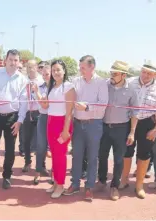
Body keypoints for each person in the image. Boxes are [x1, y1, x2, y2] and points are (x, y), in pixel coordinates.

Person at [120, 63, 156, 199]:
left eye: (149, 73)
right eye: (144, 72)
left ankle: (139, 185)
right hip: (128, 121)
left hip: (147, 123)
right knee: (126, 151)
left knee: (144, 154)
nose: (145, 75)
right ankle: (123, 180)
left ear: (155, 75)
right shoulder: (129, 82)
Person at [64, 55, 108, 201]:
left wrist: (87, 107)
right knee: (76, 155)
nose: (80, 69)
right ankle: (74, 184)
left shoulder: (101, 83)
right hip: (78, 123)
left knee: (92, 157)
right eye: (80, 67)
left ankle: (89, 187)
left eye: (83, 67)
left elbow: (103, 105)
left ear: (92, 67)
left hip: (94, 124)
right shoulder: (76, 81)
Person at [96, 61, 139, 201]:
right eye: (111, 73)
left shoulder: (131, 90)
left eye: (115, 73)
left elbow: (135, 112)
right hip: (104, 127)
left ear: (123, 75)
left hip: (122, 129)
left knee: (119, 159)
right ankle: (102, 180)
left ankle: (114, 186)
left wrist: (132, 132)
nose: (112, 76)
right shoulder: (105, 85)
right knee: (101, 155)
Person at [0, 49, 28, 189]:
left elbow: (24, 102)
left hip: (12, 117)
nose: (13, 62)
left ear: (19, 62)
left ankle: (7, 176)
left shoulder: (23, 79)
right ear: (5, 60)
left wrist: (20, 121)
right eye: (10, 59)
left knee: (10, 149)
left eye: (16, 60)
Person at [44, 60, 75, 198]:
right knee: (54, 155)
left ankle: (61, 185)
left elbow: (69, 112)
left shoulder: (68, 87)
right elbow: (46, 106)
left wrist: (66, 130)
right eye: (53, 70)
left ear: (64, 71)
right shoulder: (51, 86)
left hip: (62, 123)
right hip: (51, 122)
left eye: (58, 70)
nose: (56, 72)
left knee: (60, 156)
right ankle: (56, 183)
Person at [22, 59, 44, 172]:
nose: (30, 69)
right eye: (28, 67)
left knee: (41, 141)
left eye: (32, 67)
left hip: (39, 112)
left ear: (37, 67)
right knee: (26, 139)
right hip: (27, 112)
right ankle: (27, 161)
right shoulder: (23, 80)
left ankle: (41, 165)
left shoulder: (41, 80)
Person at [32, 62, 52, 185]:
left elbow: (45, 103)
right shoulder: (40, 86)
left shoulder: (56, 87)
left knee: (55, 148)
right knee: (41, 146)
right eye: (43, 74)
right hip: (43, 117)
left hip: (55, 117)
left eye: (47, 74)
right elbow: (42, 104)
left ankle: (54, 175)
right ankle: (38, 172)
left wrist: (37, 93)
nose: (45, 76)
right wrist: (37, 92)